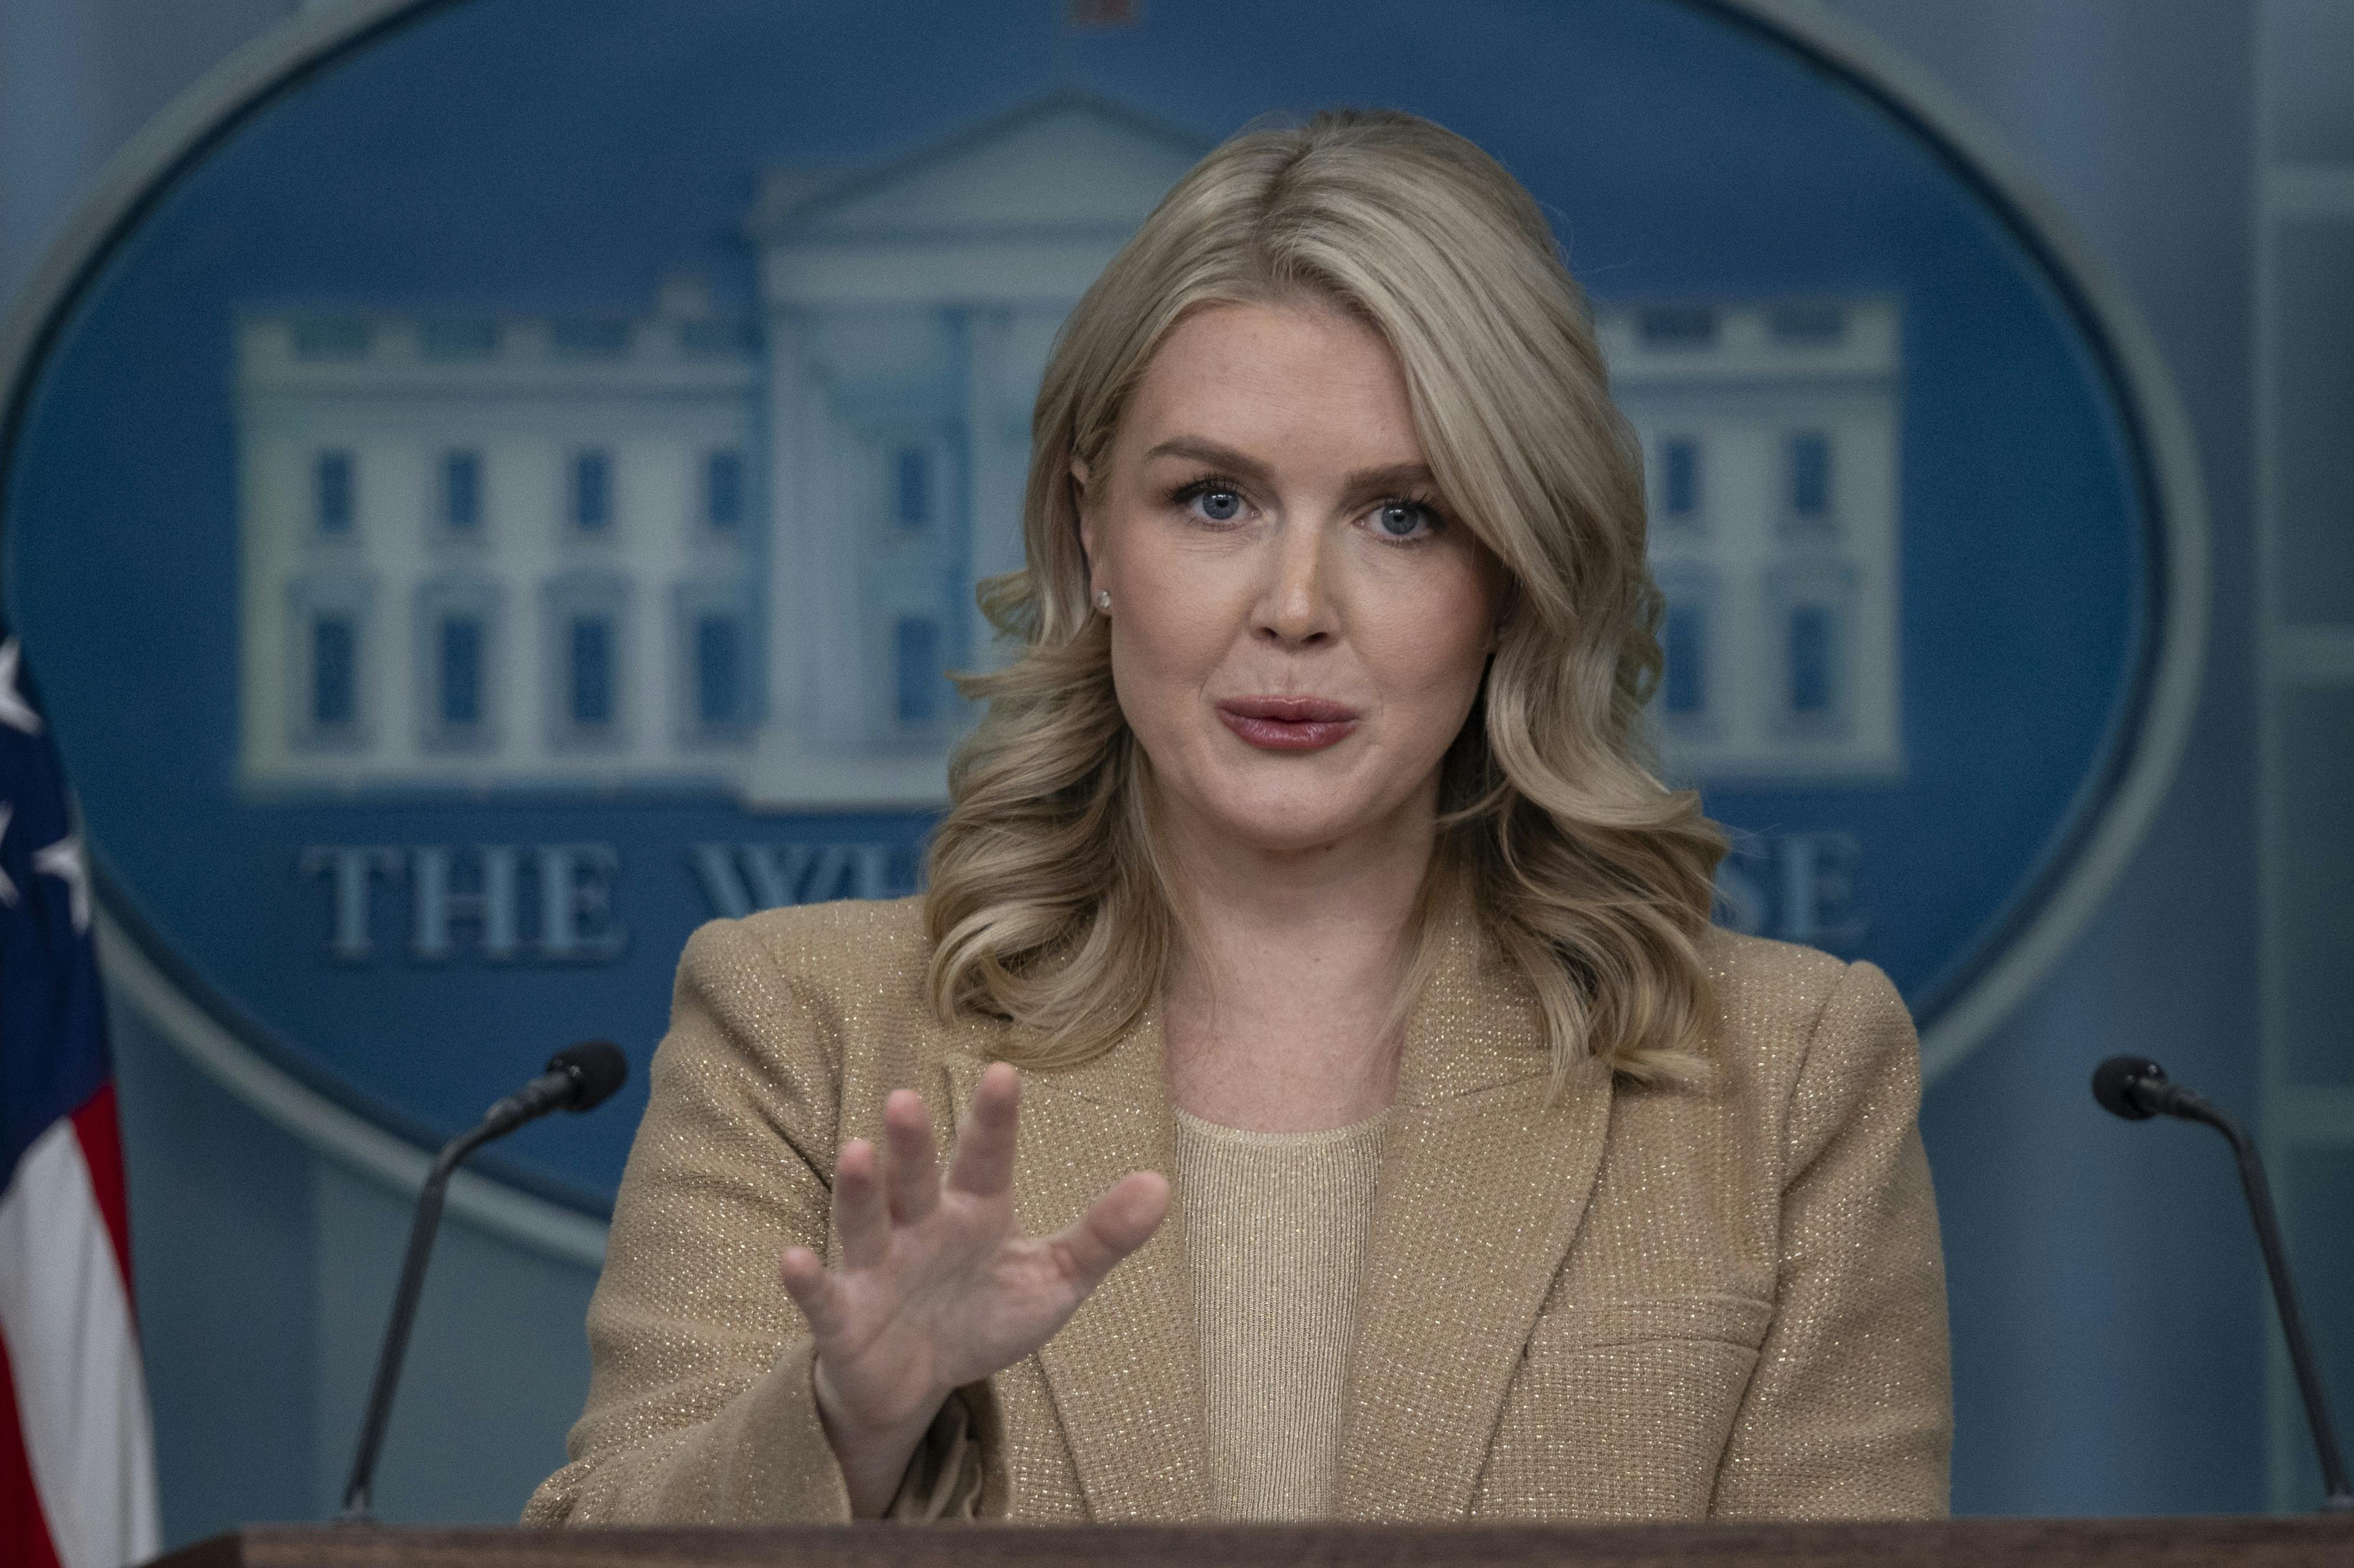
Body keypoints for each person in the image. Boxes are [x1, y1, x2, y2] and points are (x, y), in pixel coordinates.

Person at [523, 107, 1949, 1527]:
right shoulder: (800, 1027)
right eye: (1215, 501)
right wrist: (850, 1428)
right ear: (1093, 531)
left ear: (1517, 573)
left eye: (1405, 516)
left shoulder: (1793, 1075)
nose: (1296, 607)